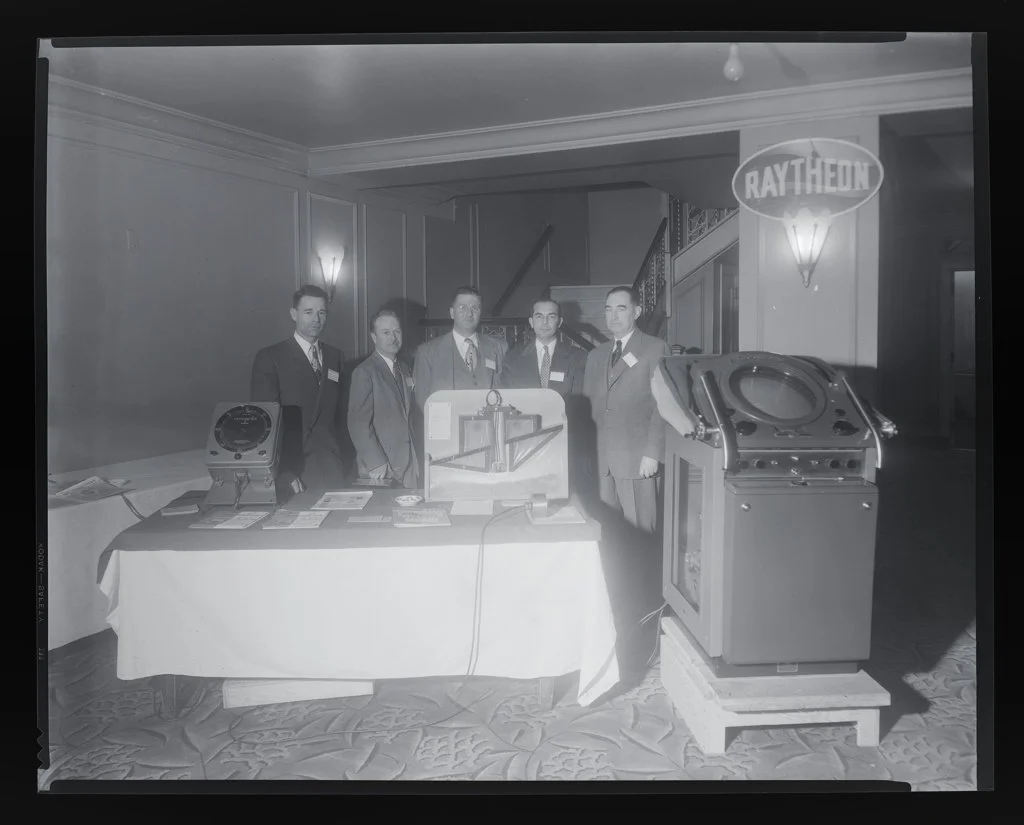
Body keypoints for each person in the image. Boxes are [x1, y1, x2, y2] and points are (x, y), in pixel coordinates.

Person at [582, 285, 670, 533]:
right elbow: (588, 407)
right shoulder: (596, 355)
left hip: (637, 459)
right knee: (606, 531)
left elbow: (663, 405)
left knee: (640, 531)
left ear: (636, 312)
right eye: (608, 309)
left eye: (621, 309)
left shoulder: (655, 348)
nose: (613, 316)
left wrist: (653, 452)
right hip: (602, 461)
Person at [250, 284, 347, 498]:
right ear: (294, 314)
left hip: (333, 466)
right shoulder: (271, 358)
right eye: (308, 312)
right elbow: (263, 425)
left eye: (322, 313)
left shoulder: (335, 356)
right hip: (295, 472)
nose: (316, 319)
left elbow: (339, 418)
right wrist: (284, 472)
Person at [500, 296, 590, 491]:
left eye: (551, 316)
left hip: (563, 440)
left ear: (560, 321)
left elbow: (578, 402)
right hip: (524, 442)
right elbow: (506, 400)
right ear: (531, 322)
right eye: (539, 316)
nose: (545, 322)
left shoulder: (578, 357)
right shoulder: (513, 358)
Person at [347, 309, 419, 488]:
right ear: (374, 337)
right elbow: (357, 423)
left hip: (409, 464)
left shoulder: (404, 368)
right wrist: (375, 462)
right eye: (386, 332)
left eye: (397, 331)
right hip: (381, 468)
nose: (393, 338)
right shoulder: (364, 372)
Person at [413, 286, 508, 410]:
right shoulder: (427, 352)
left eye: (475, 308)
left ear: (480, 313)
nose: (469, 313)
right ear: (452, 313)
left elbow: (507, 393)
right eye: (462, 307)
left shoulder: (499, 348)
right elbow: (423, 400)